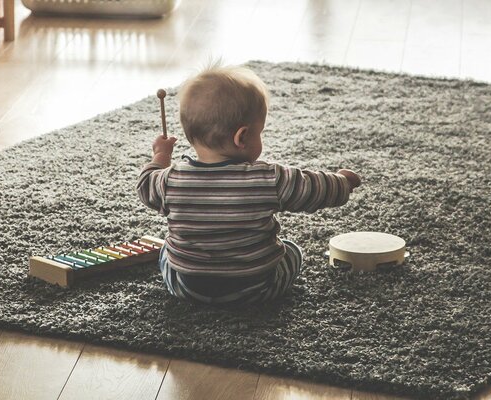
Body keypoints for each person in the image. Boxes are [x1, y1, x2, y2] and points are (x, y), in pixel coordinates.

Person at [137, 63, 361, 305]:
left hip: (187, 287)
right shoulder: (269, 178)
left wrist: (160, 156)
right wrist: (342, 182)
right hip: (256, 287)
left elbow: (145, 185)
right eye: (260, 132)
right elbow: (313, 188)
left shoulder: (169, 180)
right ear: (242, 137)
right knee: (292, 250)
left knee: (165, 251)